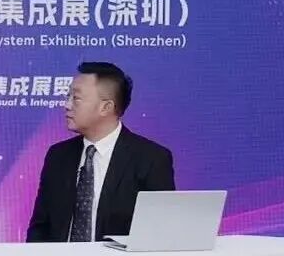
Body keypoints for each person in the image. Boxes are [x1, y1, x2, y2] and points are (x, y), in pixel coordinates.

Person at [27, 61, 175, 242]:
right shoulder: (58, 156)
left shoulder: (151, 159)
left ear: (106, 107)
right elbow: (40, 228)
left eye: (76, 98)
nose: (67, 105)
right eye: (68, 96)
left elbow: (159, 232)